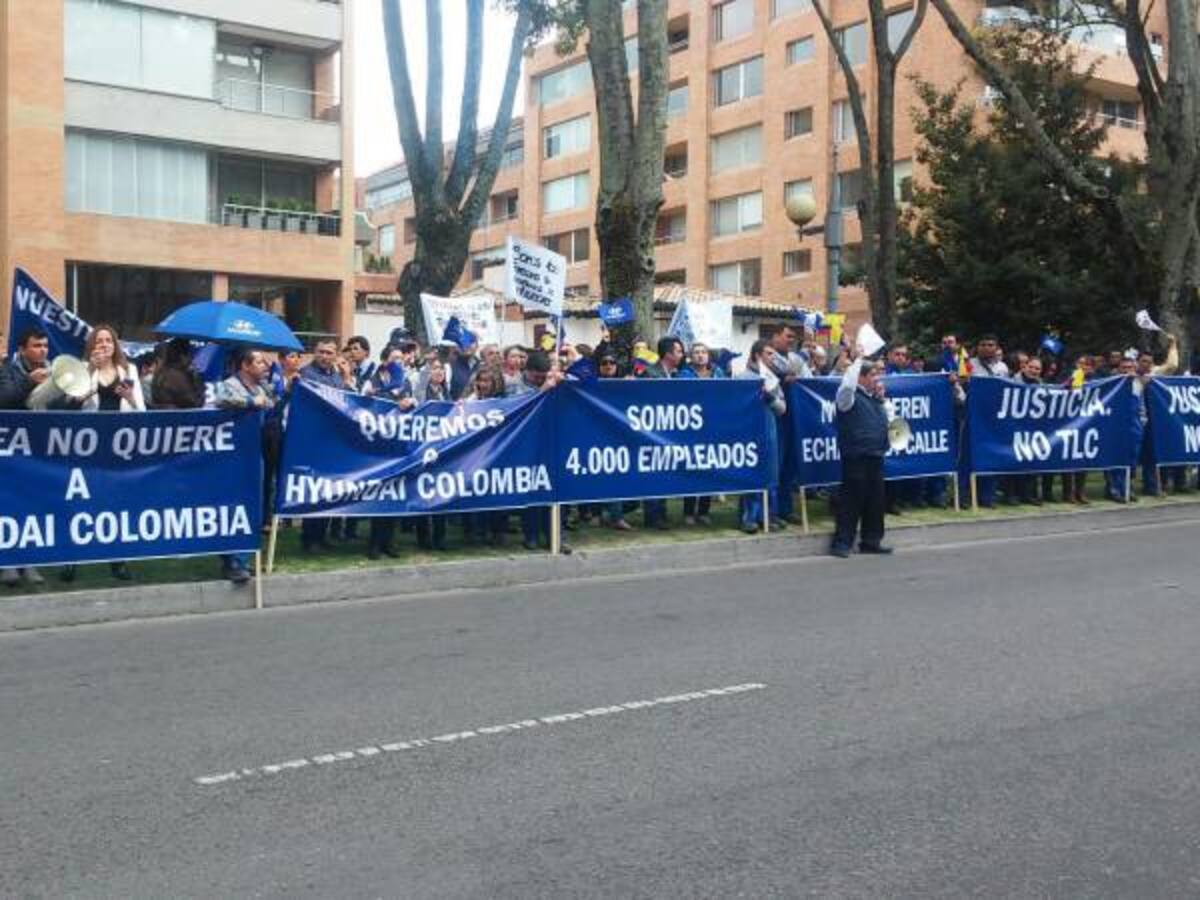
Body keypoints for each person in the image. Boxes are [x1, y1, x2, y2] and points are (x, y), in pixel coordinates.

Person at [59, 325, 147, 583]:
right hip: (87, 446)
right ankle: (70, 560)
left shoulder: (128, 371)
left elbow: (141, 412)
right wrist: (88, 376)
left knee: (115, 504)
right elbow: (68, 407)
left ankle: (117, 561)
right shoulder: (83, 369)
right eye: (99, 341)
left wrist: (130, 397)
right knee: (80, 503)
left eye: (109, 340)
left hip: (118, 448)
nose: (105, 344)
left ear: (115, 345)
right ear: (92, 346)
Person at [0, 329, 55, 587]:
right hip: (9, 451)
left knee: (31, 506)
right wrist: (30, 382)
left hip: (36, 451)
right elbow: (4, 400)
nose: (43, 350)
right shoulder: (9, 371)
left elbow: (59, 408)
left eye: (45, 346)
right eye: (37, 346)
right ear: (22, 349)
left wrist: (77, 400)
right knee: (8, 505)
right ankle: (9, 563)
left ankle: (30, 562)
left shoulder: (53, 370)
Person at [830, 351, 892, 558]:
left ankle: (871, 541)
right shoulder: (847, 397)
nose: (877, 379)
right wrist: (858, 359)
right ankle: (842, 543)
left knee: (876, 501)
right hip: (856, 456)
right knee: (851, 501)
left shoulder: (876, 399)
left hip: (876, 455)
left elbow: (890, 421)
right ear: (861, 377)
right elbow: (847, 384)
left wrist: (882, 400)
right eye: (873, 375)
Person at [299, 338, 354, 553]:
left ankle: (322, 536)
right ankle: (309, 538)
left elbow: (347, 401)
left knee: (330, 490)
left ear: (336, 355)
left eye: (329, 353)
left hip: (333, 440)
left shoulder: (337, 377)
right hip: (313, 440)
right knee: (314, 491)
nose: (324, 356)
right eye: (321, 351)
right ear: (314, 352)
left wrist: (347, 377)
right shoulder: (306, 374)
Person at [738, 340, 787, 533]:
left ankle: (768, 516)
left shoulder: (773, 380)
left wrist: (771, 399)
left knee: (771, 476)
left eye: (774, 354)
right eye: (769, 354)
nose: (773, 358)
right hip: (748, 434)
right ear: (757, 355)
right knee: (751, 476)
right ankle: (748, 518)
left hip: (770, 433)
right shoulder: (743, 378)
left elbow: (783, 409)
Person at [636, 337, 685, 529]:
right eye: (679, 351)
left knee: (664, 471)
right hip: (650, 432)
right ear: (668, 354)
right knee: (654, 472)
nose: (682, 355)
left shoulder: (674, 374)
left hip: (667, 432)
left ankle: (661, 513)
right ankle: (653, 515)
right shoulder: (650, 372)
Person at [679, 342, 726, 525]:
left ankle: (704, 511)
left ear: (708, 355)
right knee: (691, 471)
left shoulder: (718, 373)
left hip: (713, 428)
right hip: (691, 429)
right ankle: (688, 512)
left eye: (703, 352)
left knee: (709, 470)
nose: (700, 355)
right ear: (691, 356)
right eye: (696, 352)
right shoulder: (684, 374)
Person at [150, 338, 206, 410]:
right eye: (189, 354)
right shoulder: (176, 377)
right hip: (179, 418)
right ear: (182, 356)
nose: (191, 359)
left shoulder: (160, 373)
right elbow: (194, 403)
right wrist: (197, 380)